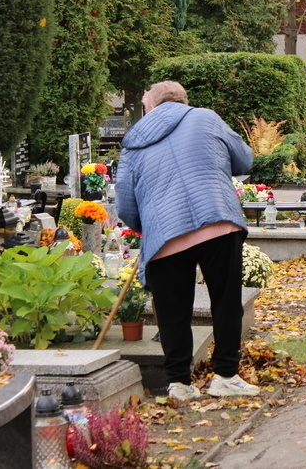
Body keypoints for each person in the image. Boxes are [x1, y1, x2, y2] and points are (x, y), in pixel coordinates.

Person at [115, 80, 260, 400]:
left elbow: (125, 205)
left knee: (172, 310)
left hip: (166, 233)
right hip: (217, 219)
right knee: (225, 301)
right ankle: (225, 375)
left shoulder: (132, 142)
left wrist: (150, 225)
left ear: (150, 107)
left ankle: (179, 383)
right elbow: (245, 160)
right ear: (184, 101)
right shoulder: (206, 117)